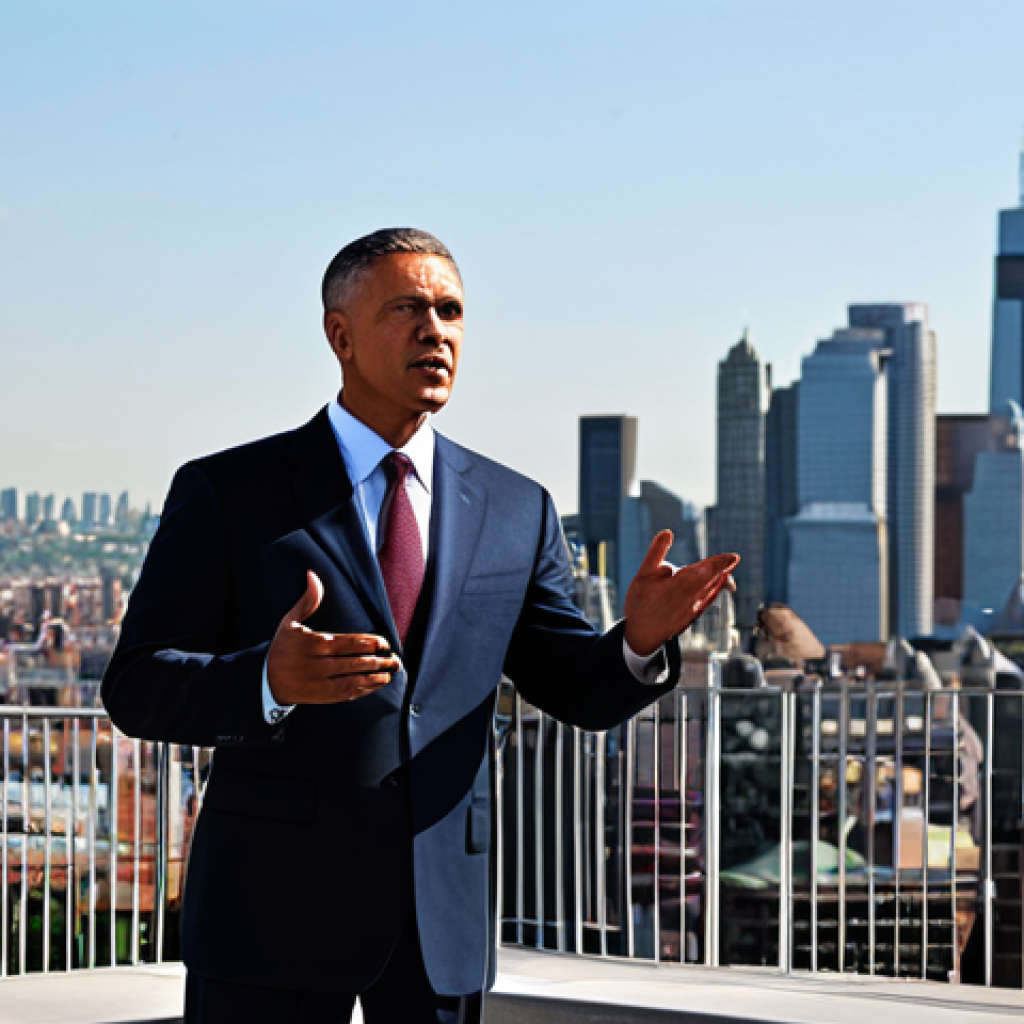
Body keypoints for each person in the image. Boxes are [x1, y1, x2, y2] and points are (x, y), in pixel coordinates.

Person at [102, 229, 738, 1023]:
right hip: (271, 913)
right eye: (406, 309)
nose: (434, 330)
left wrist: (639, 642)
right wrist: (266, 681)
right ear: (340, 335)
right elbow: (138, 687)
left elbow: (575, 689)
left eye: (450, 311)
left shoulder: (516, 508)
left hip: (442, 920)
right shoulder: (230, 491)